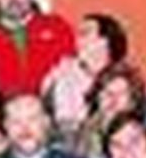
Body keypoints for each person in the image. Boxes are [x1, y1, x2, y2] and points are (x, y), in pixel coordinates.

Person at [44, 12, 128, 143]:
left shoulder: (124, 78)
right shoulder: (61, 74)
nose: (77, 39)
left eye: (84, 33)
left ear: (105, 41)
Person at [75, 62, 146, 158]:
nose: (113, 99)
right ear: (97, 97)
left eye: (121, 93)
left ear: (132, 100)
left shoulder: (144, 135)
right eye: (107, 92)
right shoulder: (81, 134)